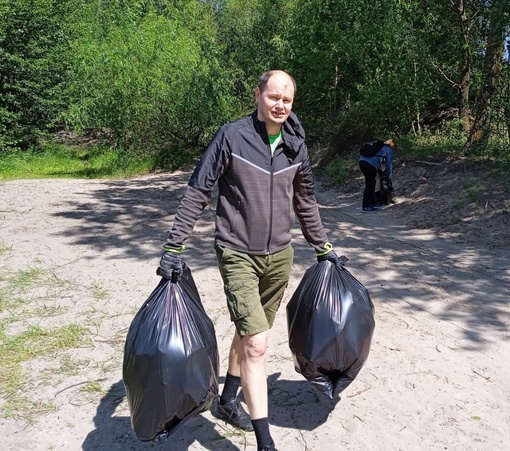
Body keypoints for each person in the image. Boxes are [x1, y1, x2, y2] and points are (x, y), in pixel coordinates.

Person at [157, 70, 343, 451]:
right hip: (237, 251)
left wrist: (322, 246)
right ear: (258, 95)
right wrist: (174, 245)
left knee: (248, 332)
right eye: (273, 96)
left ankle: (226, 401)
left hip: (279, 257)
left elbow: (305, 200)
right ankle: (265, 443)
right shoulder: (232, 137)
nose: (280, 105)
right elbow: (198, 191)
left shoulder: (296, 144)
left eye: (287, 100)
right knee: (258, 344)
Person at [358, 138, 396, 212]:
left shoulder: (378, 146)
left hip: (362, 162)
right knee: (370, 184)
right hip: (370, 165)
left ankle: (372, 203)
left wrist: (380, 171)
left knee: (371, 183)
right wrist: (388, 176)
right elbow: (389, 165)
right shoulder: (388, 150)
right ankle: (366, 206)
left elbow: (374, 159)